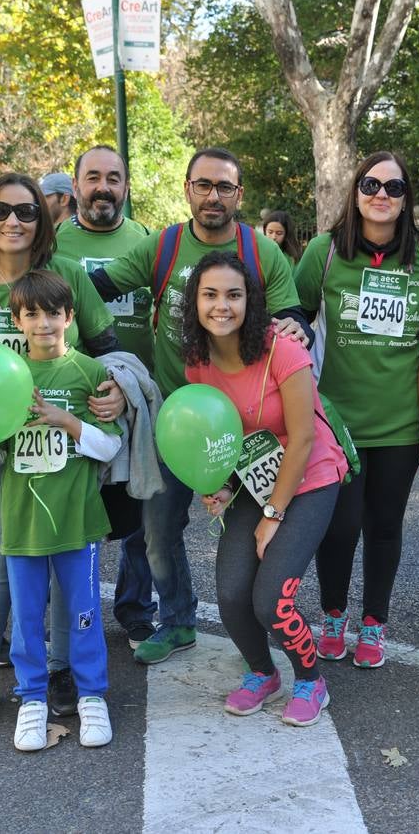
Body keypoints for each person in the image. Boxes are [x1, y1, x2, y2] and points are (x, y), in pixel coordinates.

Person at [88, 147, 308, 666]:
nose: (213, 196)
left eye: (224, 187)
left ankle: (258, 627)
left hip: (241, 424)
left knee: (252, 533)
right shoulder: (162, 246)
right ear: (187, 188)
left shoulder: (260, 252)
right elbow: (95, 287)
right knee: (158, 531)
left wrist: (296, 324)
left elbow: (292, 312)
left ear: (239, 195)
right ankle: (179, 622)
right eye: (203, 185)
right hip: (172, 418)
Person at [0, 171, 124, 731]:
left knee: (70, 566)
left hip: (65, 449)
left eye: (25, 212)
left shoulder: (66, 275)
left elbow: (105, 347)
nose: (13, 222)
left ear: (42, 220)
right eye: (0, 212)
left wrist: (114, 391)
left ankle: (64, 670)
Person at [294, 151, 419, 669]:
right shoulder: (325, 252)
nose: (381, 195)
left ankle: (374, 623)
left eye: (394, 188)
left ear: (407, 200)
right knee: (339, 526)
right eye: (371, 184)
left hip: (402, 424)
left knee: (385, 525)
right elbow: (293, 313)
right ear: (356, 192)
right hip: (339, 422)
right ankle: (333, 615)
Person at [185, 252, 348, 726]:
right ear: (194, 302)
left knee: (272, 597)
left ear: (250, 301)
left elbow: (301, 438)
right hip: (254, 481)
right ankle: (262, 673)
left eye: (233, 295)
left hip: (310, 477)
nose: (222, 306)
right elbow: (222, 434)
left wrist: (273, 516)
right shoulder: (197, 362)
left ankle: (310, 680)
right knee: (232, 597)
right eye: (210, 295)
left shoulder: (283, 348)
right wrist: (220, 485)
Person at [0, 271, 122, 751]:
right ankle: (31, 699)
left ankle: (92, 694)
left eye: (53, 313)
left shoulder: (91, 373)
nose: (43, 323)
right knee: (28, 616)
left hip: (78, 519)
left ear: (69, 317)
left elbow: (110, 448)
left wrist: (66, 420)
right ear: (17, 321)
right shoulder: (5, 374)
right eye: (32, 314)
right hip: (22, 519)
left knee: (85, 613)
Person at [55, 146, 160, 653]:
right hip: (76, 403)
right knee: (81, 514)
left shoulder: (146, 240)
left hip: (137, 399)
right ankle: (77, 613)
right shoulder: (52, 242)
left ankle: (137, 609)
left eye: (113, 178)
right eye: (92, 177)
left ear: (125, 187)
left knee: (141, 512)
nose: (103, 187)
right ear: (75, 186)